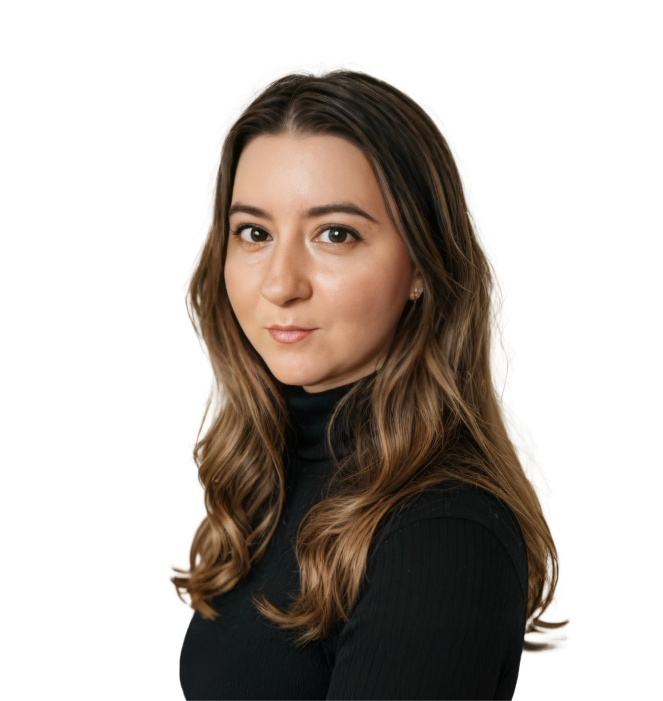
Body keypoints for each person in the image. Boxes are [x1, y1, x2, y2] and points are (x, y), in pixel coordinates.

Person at [171, 61, 570, 701]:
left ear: (422, 266)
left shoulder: (440, 534)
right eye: (254, 233)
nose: (280, 284)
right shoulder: (271, 483)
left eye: (335, 234)